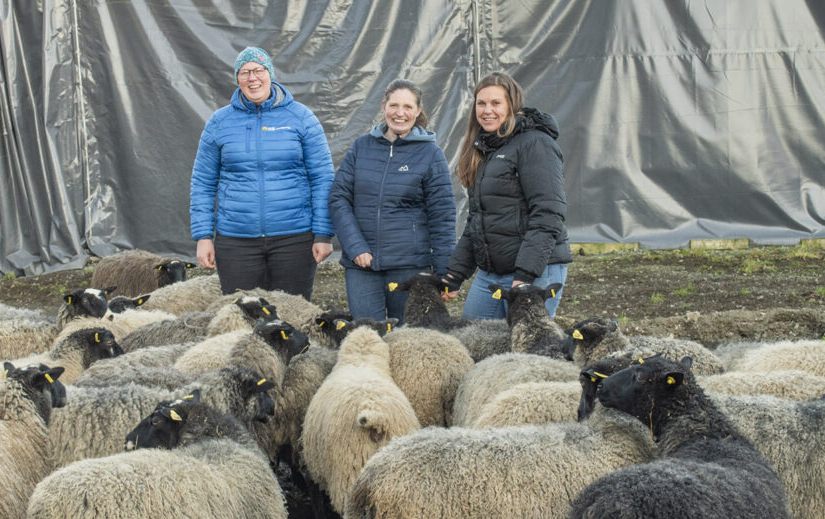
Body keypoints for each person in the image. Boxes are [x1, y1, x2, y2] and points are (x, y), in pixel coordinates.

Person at [190, 46, 335, 300]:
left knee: (292, 317)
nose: (252, 78)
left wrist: (323, 234)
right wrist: (203, 236)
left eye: (258, 70)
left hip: (294, 238)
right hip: (236, 241)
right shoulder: (219, 122)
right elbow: (202, 182)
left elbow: (323, 178)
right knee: (242, 318)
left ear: (270, 74)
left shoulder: (301, 118)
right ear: (237, 79)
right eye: (245, 72)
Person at [441, 71, 570, 319]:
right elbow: (478, 221)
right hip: (492, 272)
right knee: (474, 339)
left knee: (524, 350)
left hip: (536, 270)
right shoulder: (483, 150)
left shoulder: (535, 144)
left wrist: (524, 276)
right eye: (481, 103)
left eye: (496, 103)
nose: (487, 110)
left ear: (512, 105)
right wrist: (454, 275)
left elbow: (548, 213)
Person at [329, 79, 456, 322]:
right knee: (367, 337)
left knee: (407, 338)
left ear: (418, 111)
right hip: (362, 267)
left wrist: (445, 273)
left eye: (408, 107)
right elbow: (339, 198)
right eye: (394, 105)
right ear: (383, 106)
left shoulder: (431, 154)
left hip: (409, 267)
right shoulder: (362, 147)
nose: (400, 113)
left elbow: (443, 216)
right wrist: (356, 246)